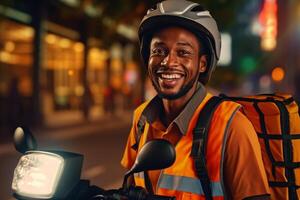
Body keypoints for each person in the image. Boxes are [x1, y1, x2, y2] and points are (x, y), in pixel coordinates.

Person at [121, 0, 270, 199]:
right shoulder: (141, 119)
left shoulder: (232, 126)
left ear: (202, 64)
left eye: (183, 53)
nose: (168, 62)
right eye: (158, 51)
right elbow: (129, 189)